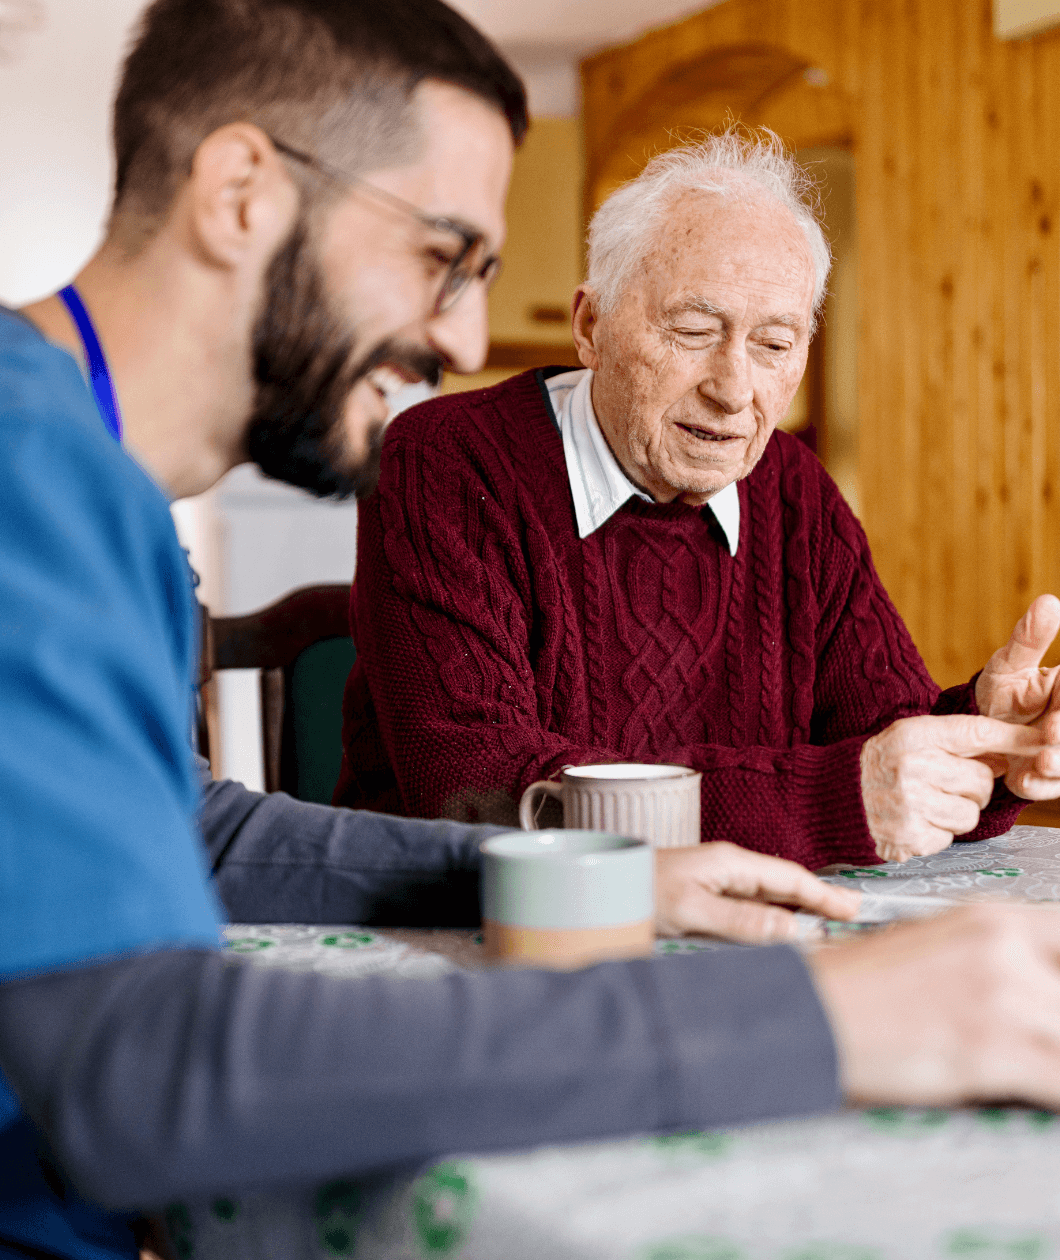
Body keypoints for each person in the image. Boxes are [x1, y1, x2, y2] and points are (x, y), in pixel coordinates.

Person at [2, 5, 1060, 1260]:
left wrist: (599, 870)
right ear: (240, 192)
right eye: (441, 254)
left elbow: (200, 824)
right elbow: (140, 1076)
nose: (458, 338)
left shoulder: (83, 471)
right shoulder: (25, 473)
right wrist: (810, 1017)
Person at [334, 130, 1060, 871]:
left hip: (732, 928)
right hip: (477, 928)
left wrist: (986, 743)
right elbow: (477, 787)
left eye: (775, 345)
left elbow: (885, 740)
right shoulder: (444, 460)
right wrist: (825, 802)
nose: (733, 389)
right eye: (693, 330)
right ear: (591, 326)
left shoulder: (792, 486)